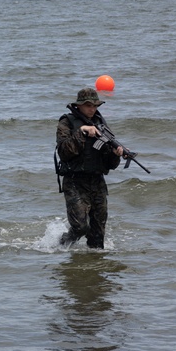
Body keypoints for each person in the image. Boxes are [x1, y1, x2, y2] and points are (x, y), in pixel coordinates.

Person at [55, 87, 124, 249]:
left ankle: (95, 268)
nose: (92, 109)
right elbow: (64, 152)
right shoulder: (67, 122)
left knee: (98, 236)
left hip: (97, 181)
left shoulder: (101, 124)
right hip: (74, 182)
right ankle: (61, 245)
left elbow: (110, 165)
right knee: (80, 227)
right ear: (79, 106)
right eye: (88, 105)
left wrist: (116, 154)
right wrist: (82, 132)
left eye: (95, 106)